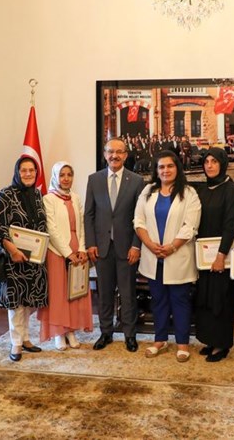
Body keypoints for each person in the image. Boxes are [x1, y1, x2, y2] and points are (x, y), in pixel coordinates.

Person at [134, 150, 201, 362]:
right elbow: (138, 221)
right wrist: (150, 244)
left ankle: (182, 343)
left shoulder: (189, 193)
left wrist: (172, 247)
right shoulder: (148, 191)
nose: (165, 170)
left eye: (170, 166)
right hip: (153, 256)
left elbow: (191, 226)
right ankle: (160, 339)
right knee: (158, 300)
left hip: (177, 256)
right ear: (156, 170)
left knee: (180, 301)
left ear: (177, 168)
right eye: (161, 167)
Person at [84, 138, 145, 352]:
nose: (114, 156)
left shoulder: (136, 181)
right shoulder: (94, 180)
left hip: (127, 248)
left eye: (119, 152)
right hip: (101, 247)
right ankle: (106, 333)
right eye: (110, 151)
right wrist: (90, 243)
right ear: (105, 154)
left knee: (128, 294)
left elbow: (140, 217)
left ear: (125, 155)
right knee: (104, 293)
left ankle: (130, 335)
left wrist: (136, 246)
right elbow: (89, 215)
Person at [0, 156, 48, 362]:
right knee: (15, 302)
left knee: (27, 300)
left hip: (34, 259)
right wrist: (13, 251)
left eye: (31, 170)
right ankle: (15, 342)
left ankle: (25, 338)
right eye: (23, 170)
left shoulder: (37, 194)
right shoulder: (5, 194)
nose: (28, 174)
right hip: (13, 259)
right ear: (17, 172)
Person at [37, 162, 93, 350]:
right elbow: (51, 229)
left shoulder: (76, 197)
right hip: (57, 251)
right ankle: (58, 332)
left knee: (74, 291)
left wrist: (82, 249)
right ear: (55, 177)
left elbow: (82, 225)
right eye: (62, 175)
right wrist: (68, 253)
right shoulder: (48, 199)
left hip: (77, 249)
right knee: (59, 293)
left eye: (69, 174)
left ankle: (71, 330)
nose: (66, 178)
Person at [194, 148, 234, 362]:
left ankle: (222, 344)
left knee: (220, 298)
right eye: (206, 161)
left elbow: (230, 225)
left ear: (222, 164)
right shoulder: (202, 189)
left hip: (222, 255)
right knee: (205, 297)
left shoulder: (231, 190)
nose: (210, 165)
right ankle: (209, 340)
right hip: (203, 256)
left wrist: (221, 255)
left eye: (214, 161)